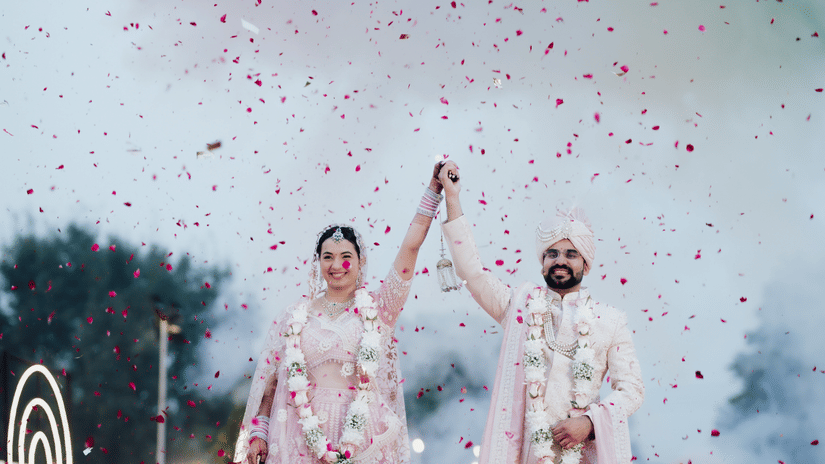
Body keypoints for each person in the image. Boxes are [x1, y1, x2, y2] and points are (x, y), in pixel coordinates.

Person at [233, 163, 447, 464]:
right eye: (328, 257)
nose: (336, 265)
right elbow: (271, 382)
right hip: (296, 434)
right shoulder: (294, 316)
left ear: (360, 263)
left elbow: (410, 250)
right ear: (317, 263)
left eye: (346, 257)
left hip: (359, 434)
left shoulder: (379, 311)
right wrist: (260, 432)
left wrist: (433, 193)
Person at [437, 161, 644, 464]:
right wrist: (452, 199)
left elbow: (632, 391)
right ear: (542, 262)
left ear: (585, 264)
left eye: (571, 254)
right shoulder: (518, 307)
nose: (560, 260)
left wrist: (588, 423)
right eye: (552, 253)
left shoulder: (610, 322)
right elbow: (472, 272)